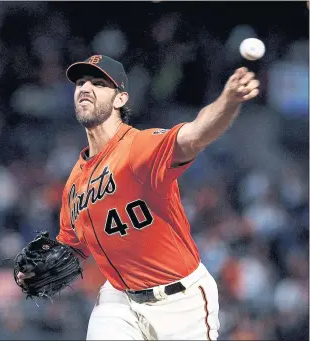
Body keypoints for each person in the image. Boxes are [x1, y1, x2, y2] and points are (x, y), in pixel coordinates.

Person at [17, 54, 260, 340]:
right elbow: (73, 246)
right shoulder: (75, 182)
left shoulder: (139, 147)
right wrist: (41, 267)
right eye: (80, 82)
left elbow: (195, 135)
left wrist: (228, 101)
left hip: (181, 300)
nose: (85, 87)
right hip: (118, 301)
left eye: (98, 83)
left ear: (120, 99)